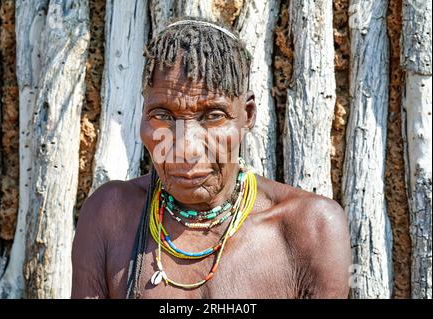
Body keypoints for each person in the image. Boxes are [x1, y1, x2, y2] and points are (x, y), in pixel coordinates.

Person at [71, 17, 351, 299]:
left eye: (213, 116)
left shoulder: (311, 229)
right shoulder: (110, 217)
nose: (187, 148)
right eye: (163, 116)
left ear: (247, 115)